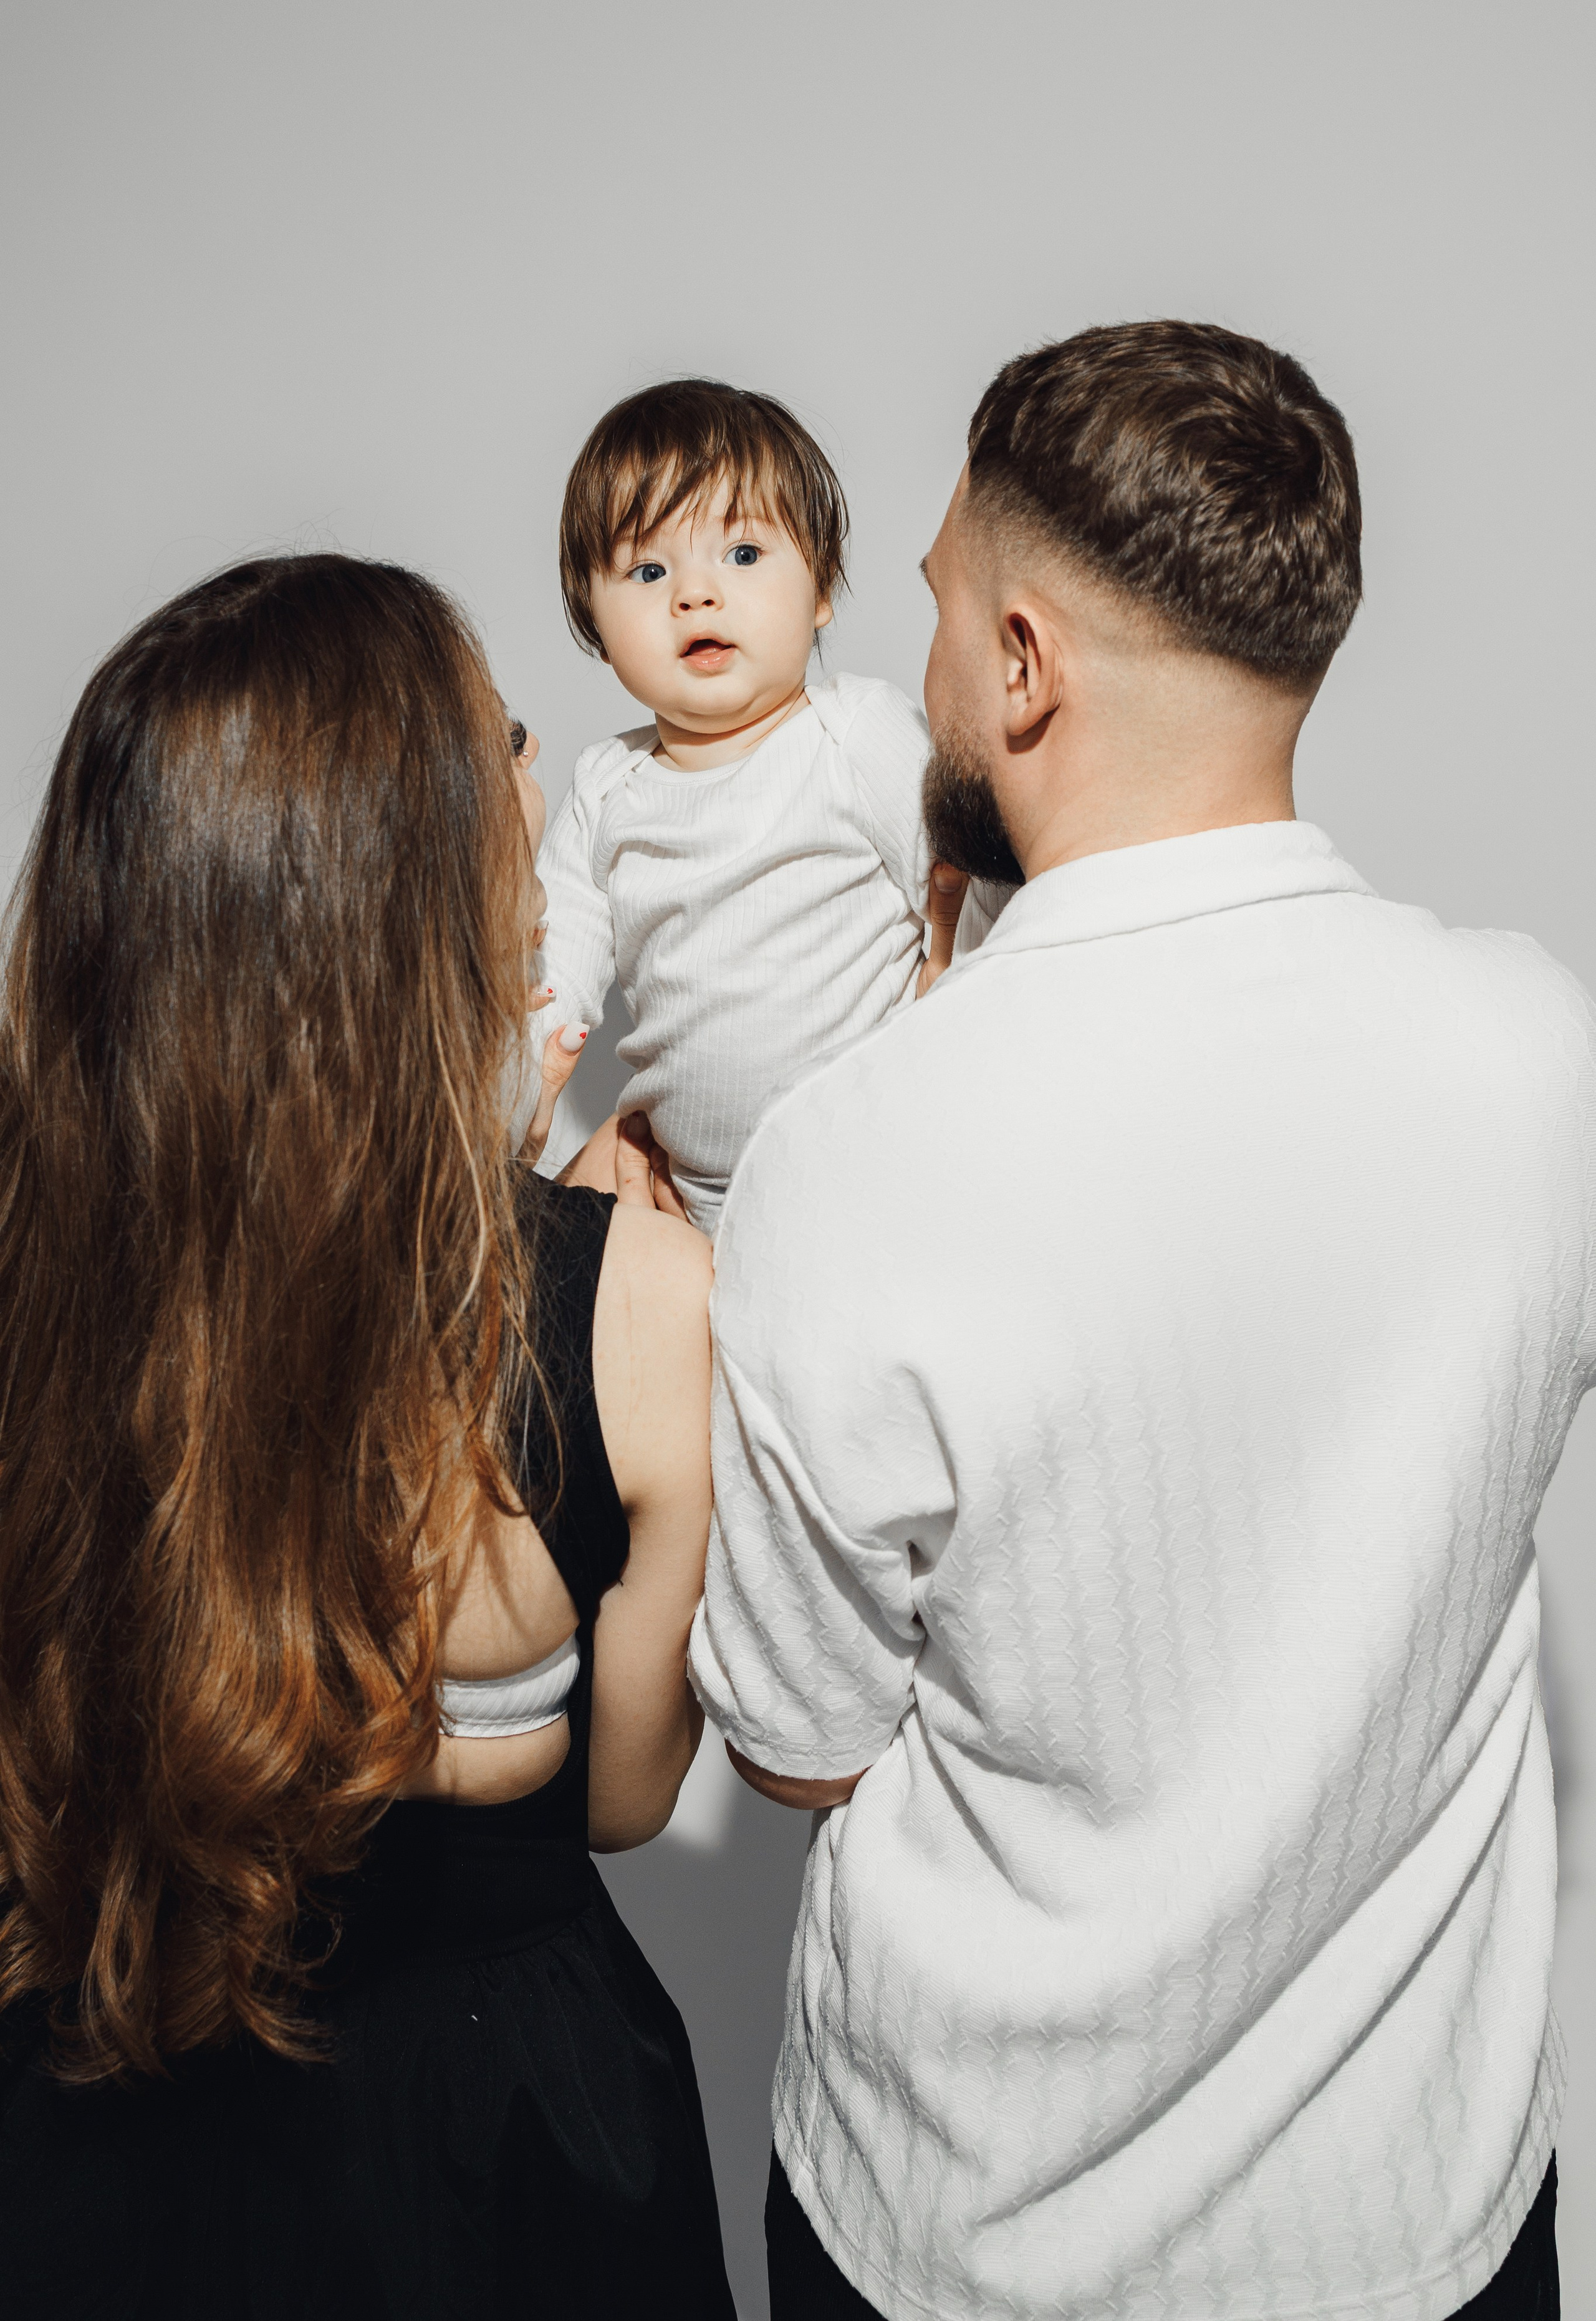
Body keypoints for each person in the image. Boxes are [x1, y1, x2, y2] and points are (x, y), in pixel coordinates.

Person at [689, 320, 1587, 2320]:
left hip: (968, 2246)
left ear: (1023, 665)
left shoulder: (857, 1156)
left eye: (938, 608)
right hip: (1423, 2229)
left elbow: (800, 1746)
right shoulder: (1544, 1057)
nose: (914, 670)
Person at [0, 554, 736, 2319]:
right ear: (403, 870)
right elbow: (624, 1798)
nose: (541, 784)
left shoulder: (35, 1276)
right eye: (503, 741)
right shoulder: (637, 1299)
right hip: (505, 2144)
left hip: (101, 2090)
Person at [533, 377, 981, 1228]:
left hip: (880, 1173)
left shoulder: (855, 736)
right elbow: (551, 980)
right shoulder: (607, 786)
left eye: (742, 555)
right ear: (593, 620)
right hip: (688, 1202)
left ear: (821, 591)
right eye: (649, 570)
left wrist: (950, 1005)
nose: (695, 595)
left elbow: (974, 890)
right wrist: (509, 1107)